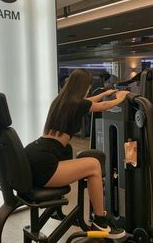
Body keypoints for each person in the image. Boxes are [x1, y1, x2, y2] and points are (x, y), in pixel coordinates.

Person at [24, 68, 130, 240]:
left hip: (34, 152)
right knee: (94, 165)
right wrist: (119, 98)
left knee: (77, 157)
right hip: (46, 162)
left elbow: (86, 102)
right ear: (86, 86)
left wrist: (106, 93)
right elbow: (100, 106)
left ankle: (63, 212)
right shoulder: (77, 104)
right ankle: (100, 220)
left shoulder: (60, 101)